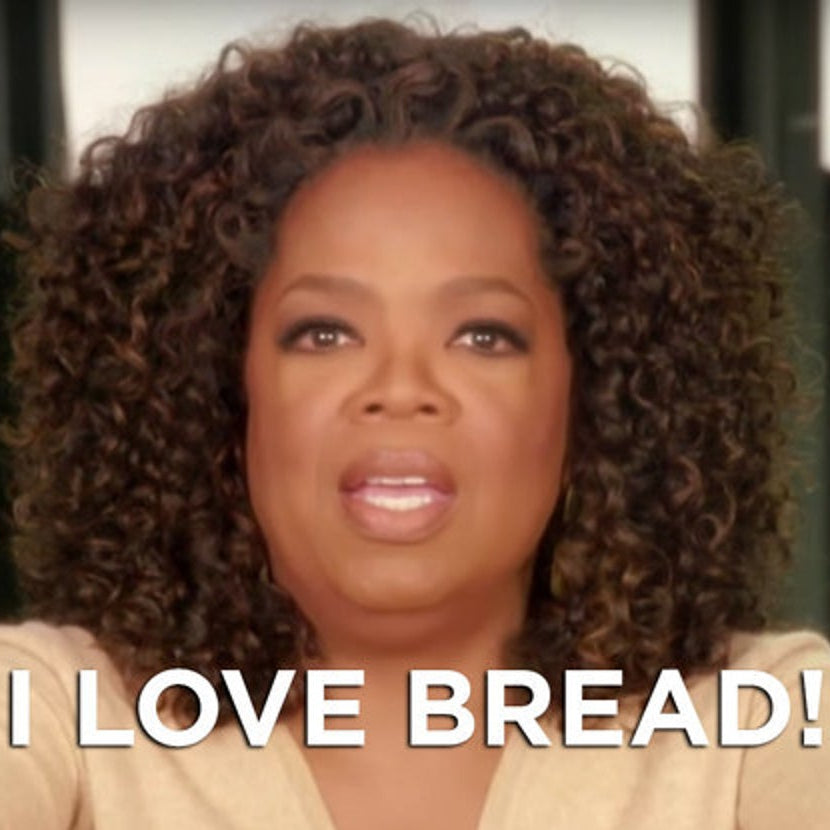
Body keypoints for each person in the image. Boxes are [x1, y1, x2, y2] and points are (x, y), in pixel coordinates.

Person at [1, 18, 828, 830]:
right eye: (325, 333)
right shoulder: (59, 706)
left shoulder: (762, 718)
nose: (400, 390)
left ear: (596, 401)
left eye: (483, 336)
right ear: (222, 389)